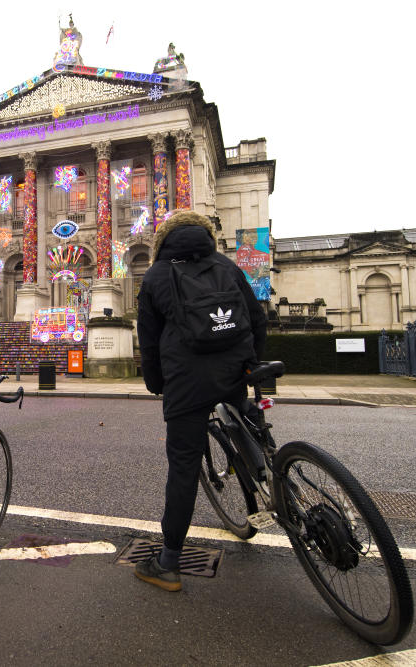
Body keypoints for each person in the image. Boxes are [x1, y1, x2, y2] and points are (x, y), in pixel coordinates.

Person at [135, 210, 268, 591]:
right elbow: (256, 319)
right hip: (235, 372)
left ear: (164, 240)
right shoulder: (226, 265)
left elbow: (150, 343)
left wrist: (157, 384)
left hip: (187, 383)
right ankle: (269, 473)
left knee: (184, 468)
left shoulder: (156, 275)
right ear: (206, 235)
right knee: (247, 416)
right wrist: (250, 364)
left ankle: (169, 562)